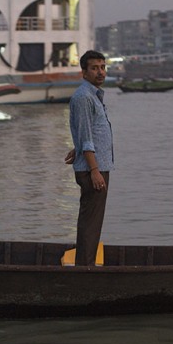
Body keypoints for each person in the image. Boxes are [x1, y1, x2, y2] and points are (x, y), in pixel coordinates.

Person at [64, 50, 114, 266]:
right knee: (90, 223)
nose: (100, 72)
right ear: (84, 72)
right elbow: (87, 138)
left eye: (102, 67)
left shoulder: (93, 95)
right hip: (94, 169)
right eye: (94, 68)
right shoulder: (84, 97)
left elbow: (87, 132)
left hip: (97, 165)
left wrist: (78, 148)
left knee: (92, 222)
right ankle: (85, 268)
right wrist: (94, 170)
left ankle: (86, 265)